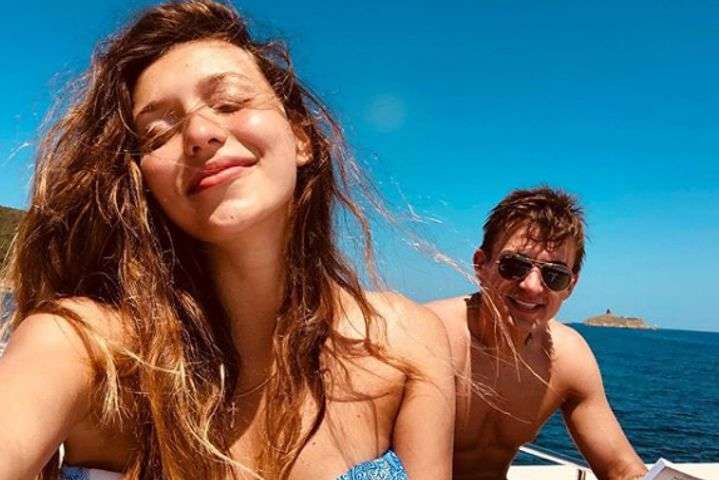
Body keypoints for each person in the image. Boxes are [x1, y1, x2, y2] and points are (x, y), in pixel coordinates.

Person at [0, 1, 455, 479]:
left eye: (231, 102)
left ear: (301, 138)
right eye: (158, 133)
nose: (199, 133)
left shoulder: (408, 343)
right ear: (144, 183)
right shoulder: (83, 349)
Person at [426, 187, 647, 480]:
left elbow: (621, 468)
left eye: (554, 275)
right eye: (513, 266)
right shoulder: (425, 337)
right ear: (481, 265)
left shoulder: (567, 357)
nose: (531, 286)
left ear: (570, 286)